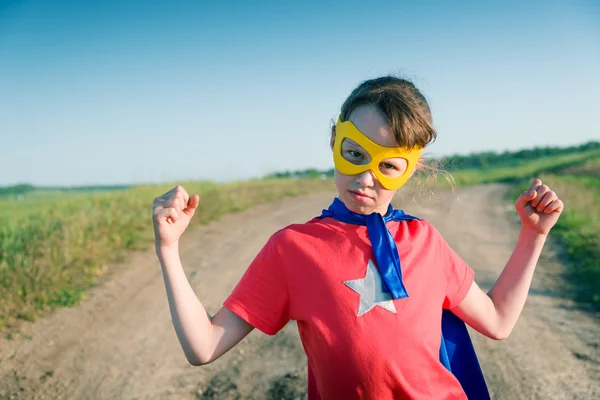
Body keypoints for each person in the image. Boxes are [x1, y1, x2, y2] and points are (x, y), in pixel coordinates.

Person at [152, 76, 564, 399]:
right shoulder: (292, 248)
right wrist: (169, 249)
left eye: (388, 166)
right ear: (335, 141)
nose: (366, 178)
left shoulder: (425, 240)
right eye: (354, 154)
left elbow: (497, 321)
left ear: (413, 168)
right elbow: (203, 347)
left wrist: (533, 235)